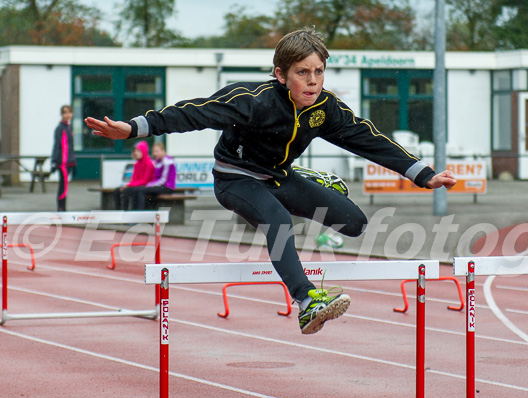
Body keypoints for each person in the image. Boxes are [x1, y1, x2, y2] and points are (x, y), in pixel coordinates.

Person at [84, 27, 456, 335]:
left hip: (280, 177)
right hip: (236, 180)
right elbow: (194, 112)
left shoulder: (325, 108)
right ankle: (307, 301)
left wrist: (424, 174)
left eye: (319, 72)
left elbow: (367, 138)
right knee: (278, 222)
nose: (312, 82)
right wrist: (134, 128)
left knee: (355, 223)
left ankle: (309, 179)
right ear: (281, 74)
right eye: (302, 73)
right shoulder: (253, 100)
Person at [127, 142, 176, 210]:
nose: (154, 153)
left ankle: (139, 213)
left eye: (157, 151)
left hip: (167, 187)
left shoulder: (167, 161)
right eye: (153, 152)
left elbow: (163, 180)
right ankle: (134, 212)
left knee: (142, 190)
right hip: (159, 186)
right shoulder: (157, 161)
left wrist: (150, 185)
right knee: (138, 190)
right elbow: (154, 177)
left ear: (163, 151)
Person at [112, 141, 154, 210]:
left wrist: (129, 185)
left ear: (143, 151)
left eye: (138, 151)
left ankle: (126, 211)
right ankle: (118, 211)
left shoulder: (149, 163)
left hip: (145, 186)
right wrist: (129, 185)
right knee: (117, 191)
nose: (135, 153)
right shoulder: (137, 164)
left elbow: (145, 181)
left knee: (126, 191)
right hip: (137, 186)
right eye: (135, 151)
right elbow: (134, 179)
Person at [51, 105, 76, 211]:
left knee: (64, 186)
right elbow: (58, 145)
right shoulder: (60, 128)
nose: (67, 115)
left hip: (68, 162)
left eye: (69, 112)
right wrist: (55, 160)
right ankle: (61, 209)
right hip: (63, 163)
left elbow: (70, 147)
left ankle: (62, 208)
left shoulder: (68, 127)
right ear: (61, 114)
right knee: (63, 187)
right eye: (65, 113)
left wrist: (73, 161)